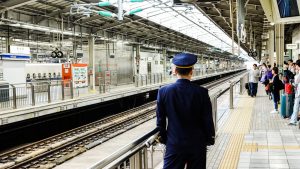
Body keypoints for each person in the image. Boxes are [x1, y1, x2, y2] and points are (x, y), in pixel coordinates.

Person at [156, 53, 215, 169]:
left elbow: (160, 120)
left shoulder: (163, 91)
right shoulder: (202, 92)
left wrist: (163, 138)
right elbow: (207, 119)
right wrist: (210, 138)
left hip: (174, 144)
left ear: (175, 71)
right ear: (192, 71)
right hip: (197, 144)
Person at [289, 59, 300, 125]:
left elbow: (296, 82)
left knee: (296, 105)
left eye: (296, 65)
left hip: (299, 92)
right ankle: (294, 120)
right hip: (298, 91)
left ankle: (293, 121)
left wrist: (296, 73)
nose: (295, 67)